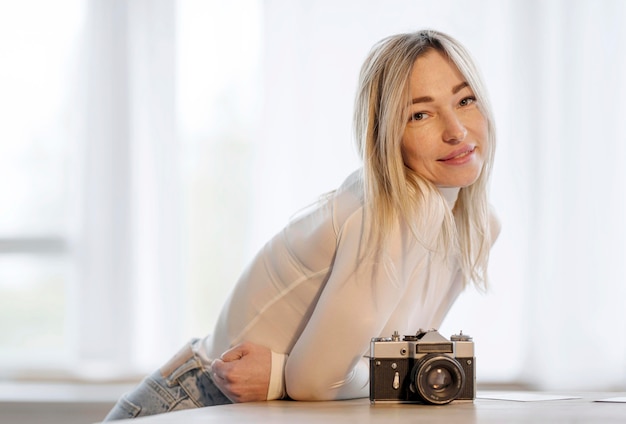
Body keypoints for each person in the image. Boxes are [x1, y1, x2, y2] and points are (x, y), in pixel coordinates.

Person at [103, 28, 500, 421]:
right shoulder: (397, 211)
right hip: (198, 400)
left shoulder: (478, 226)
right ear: (386, 135)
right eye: (420, 114)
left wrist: (283, 375)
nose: (457, 131)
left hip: (262, 409)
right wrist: (289, 377)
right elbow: (319, 382)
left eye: (465, 100)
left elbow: (400, 366)